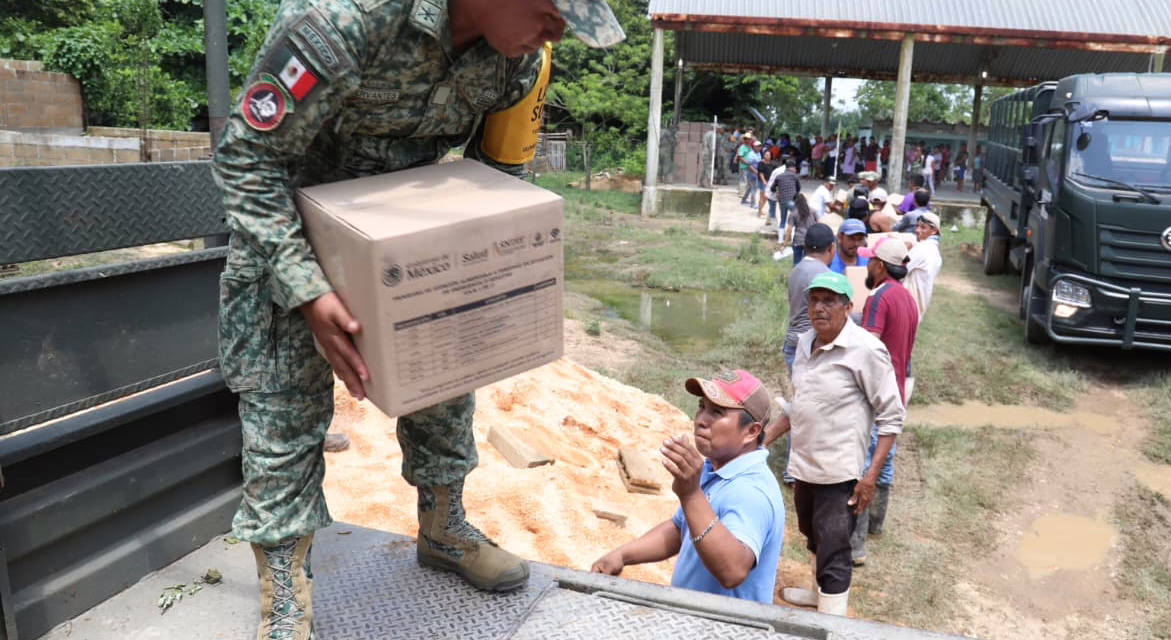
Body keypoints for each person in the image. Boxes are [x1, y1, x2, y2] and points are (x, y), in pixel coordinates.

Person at [213, 0, 625, 636]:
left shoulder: (518, 61)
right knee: (282, 415)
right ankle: (287, 596)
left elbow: (497, 180)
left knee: (448, 380)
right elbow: (245, 159)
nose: (557, 32)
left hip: (403, 244)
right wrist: (308, 291)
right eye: (550, 11)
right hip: (288, 242)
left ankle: (442, 527)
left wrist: (476, 280)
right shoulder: (344, 20)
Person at [764, 271, 905, 617]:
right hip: (804, 465)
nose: (819, 308)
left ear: (848, 307)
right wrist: (762, 440)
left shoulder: (866, 350)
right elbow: (800, 404)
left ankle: (831, 622)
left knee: (835, 550)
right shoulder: (805, 342)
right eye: (814, 300)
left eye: (829, 301)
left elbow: (891, 417)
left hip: (839, 473)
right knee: (812, 535)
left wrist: (870, 477)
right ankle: (818, 596)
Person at [591, 370, 785, 604]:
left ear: (751, 431)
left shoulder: (751, 491)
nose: (701, 420)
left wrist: (691, 494)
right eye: (702, 407)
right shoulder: (716, 467)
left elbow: (733, 571)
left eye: (717, 413)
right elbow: (680, 528)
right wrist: (622, 555)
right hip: (694, 615)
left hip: (722, 622)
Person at [850, 237, 918, 565]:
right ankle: (876, 523)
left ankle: (855, 545)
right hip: (898, 390)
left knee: (865, 465)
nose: (867, 265)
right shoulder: (907, 298)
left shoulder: (879, 297)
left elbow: (869, 346)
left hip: (876, 392)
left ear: (880, 266)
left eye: (870, 261)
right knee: (885, 458)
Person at [784, 223, 835, 371]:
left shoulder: (797, 270)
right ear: (832, 248)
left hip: (792, 344)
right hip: (811, 348)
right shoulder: (825, 276)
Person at [904, 211, 945, 319]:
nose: (917, 230)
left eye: (923, 227)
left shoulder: (922, 248)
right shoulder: (933, 250)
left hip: (908, 305)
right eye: (917, 226)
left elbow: (900, 270)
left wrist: (903, 249)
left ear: (934, 230)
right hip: (918, 306)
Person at [756, 149, 778, 219]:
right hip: (763, 182)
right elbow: (760, 173)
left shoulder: (771, 164)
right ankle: (759, 213)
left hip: (769, 182)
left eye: (769, 155)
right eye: (766, 155)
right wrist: (764, 181)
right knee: (762, 197)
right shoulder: (761, 163)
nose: (768, 156)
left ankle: (761, 209)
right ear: (764, 155)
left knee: (766, 197)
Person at [700, 124, 723, 188]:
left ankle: (701, 182)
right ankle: (709, 184)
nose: (719, 130)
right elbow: (711, 145)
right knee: (709, 168)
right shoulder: (713, 134)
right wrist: (713, 153)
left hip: (705, 152)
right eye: (718, 128)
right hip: (709, 153)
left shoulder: (707, 133)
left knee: (705, 168)